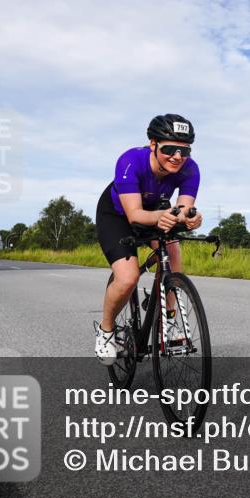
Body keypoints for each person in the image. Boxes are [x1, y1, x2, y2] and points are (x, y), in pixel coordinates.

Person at [94, 114, 204, 365]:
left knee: (173, 254)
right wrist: (163, 217)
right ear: (153, 144)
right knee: (128, 277)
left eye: (184, 150)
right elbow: (134, 214)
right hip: (119, 215)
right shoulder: (131, 161)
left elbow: (184, 207)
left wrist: (190, 219)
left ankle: (169, 319)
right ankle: (106, 330)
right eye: (169, 148)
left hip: (157, 210)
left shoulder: (190, 169)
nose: (178, 156)